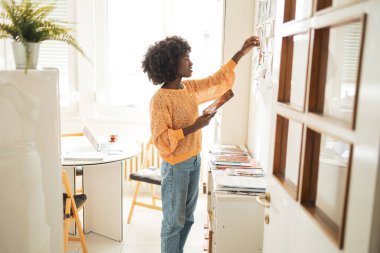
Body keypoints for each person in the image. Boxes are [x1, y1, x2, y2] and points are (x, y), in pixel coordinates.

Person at [142, 35, 259, 253]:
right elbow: (161, 140)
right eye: (186, 58)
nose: (191, 62)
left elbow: (216, 81)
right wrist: (194, 127)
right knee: (173, 222)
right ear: (171, 64)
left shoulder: (189, 88)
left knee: (187, 219)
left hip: (194, 161)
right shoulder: (159, 100)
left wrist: (241, 53)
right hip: (176, 167)